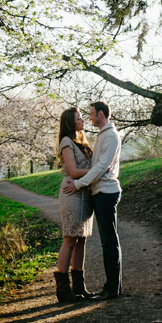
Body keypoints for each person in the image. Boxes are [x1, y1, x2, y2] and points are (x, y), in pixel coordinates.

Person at [63, 101, 122, 301]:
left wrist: (79, 184)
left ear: (100, 114)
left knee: (109, 242)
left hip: (106, 192)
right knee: (107, 241)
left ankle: (112, 289)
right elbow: (96, 166)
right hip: (99, 192)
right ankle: (112, 287)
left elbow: (101, 167)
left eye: (90, 114)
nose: (88, 118)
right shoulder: (102, 136)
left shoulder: (111, 136)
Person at [54, 107, 95, 303]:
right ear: (71, 122)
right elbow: (73, 170)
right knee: (70, 239)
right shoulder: (66, 142)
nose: (83, 121)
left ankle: (79, 286)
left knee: (82, 239)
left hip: (85, 193)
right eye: (79, 119)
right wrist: (97, 169)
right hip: (72, 193)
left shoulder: (81, 141)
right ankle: (63, 289)